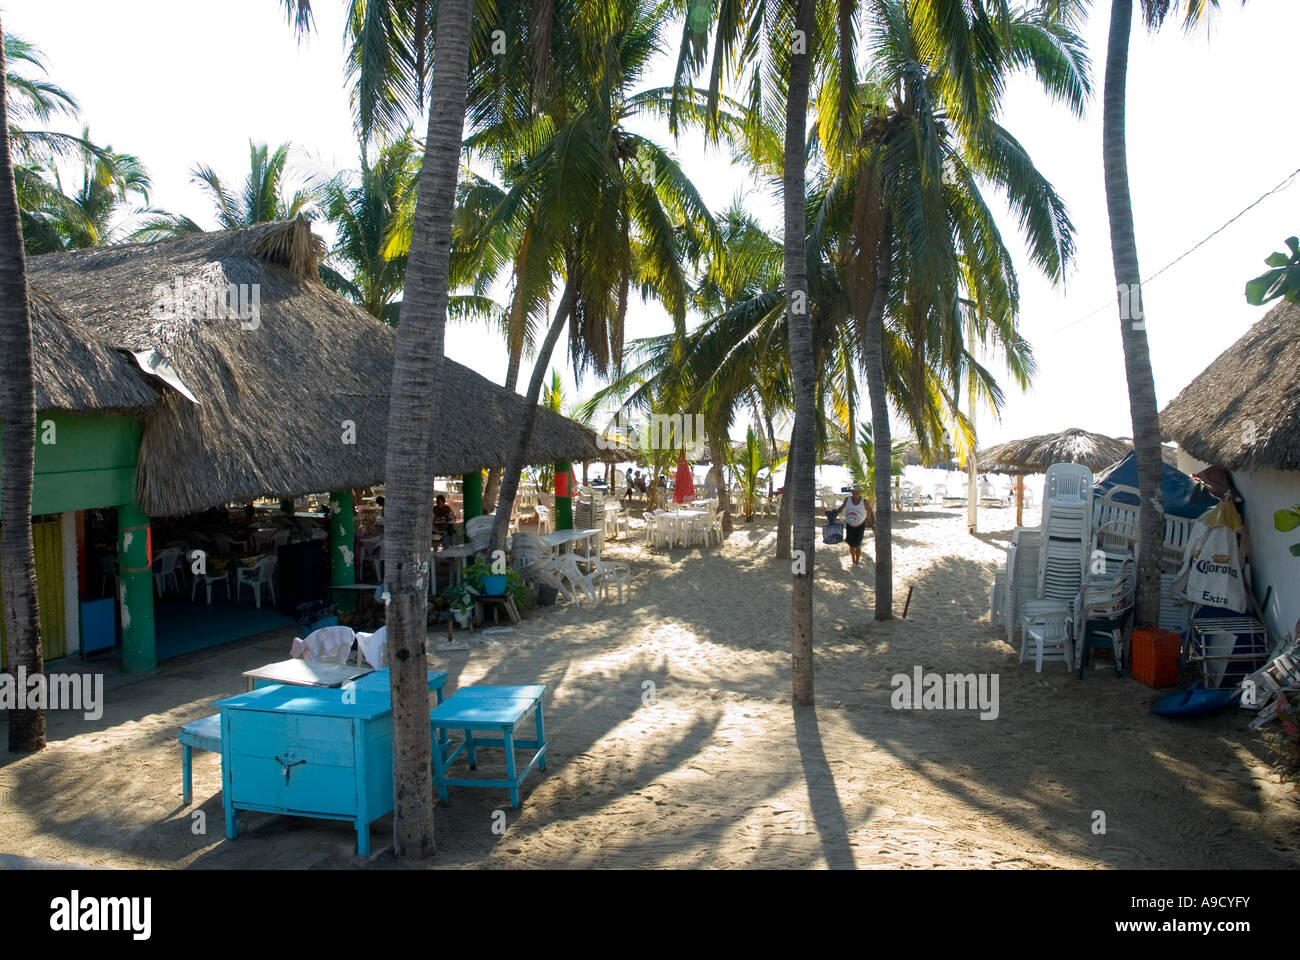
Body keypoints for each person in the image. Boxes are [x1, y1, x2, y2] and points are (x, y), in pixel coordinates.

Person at [841, 483, 869, 566]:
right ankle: (853, 559)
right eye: (854, 491)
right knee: (851, 545)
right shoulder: (847, 499)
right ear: (852, 491)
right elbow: (842, 507)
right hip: (850, 525)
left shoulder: (864, 501)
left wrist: (873, 524)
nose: (855, 493)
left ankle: (857, 560)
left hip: (860, 526)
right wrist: (834, 513)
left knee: (858, 544)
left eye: (857, 492)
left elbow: (870, 512)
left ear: (860, 492)